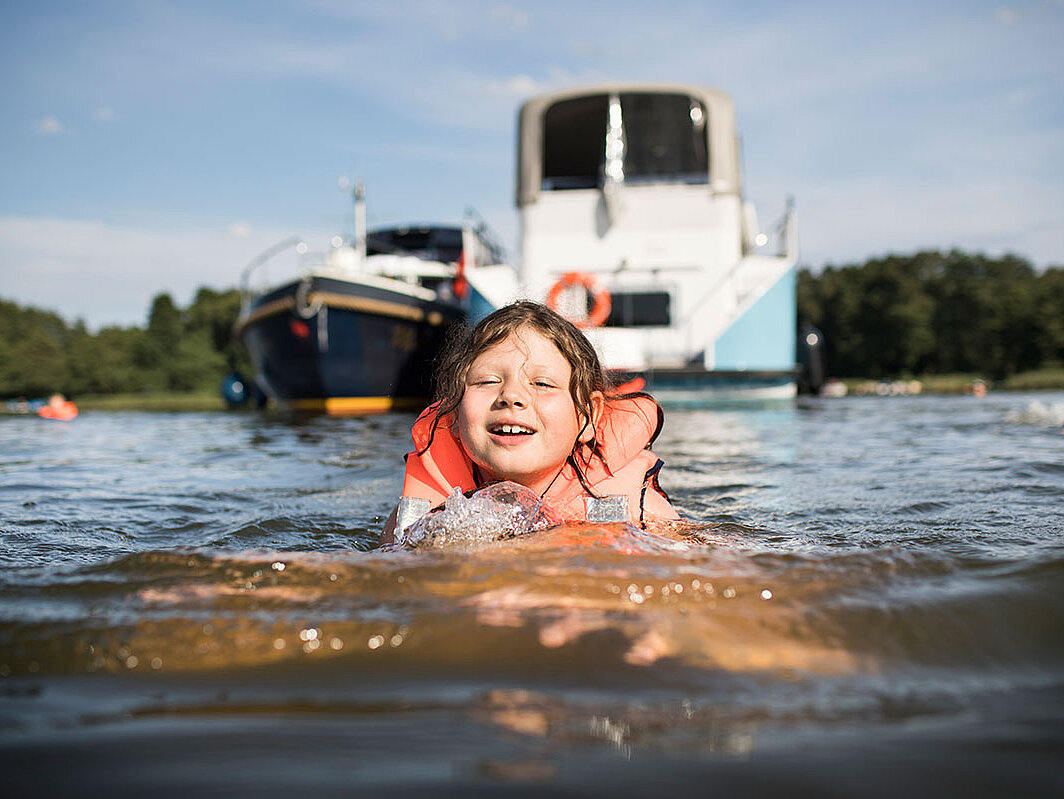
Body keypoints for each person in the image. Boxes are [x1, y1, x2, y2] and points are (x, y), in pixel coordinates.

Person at [382, 301, 679, 542]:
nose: (511, 396)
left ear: (588, 418)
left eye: (542, 384)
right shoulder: (416, 521)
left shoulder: (643, 515)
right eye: (487, 381)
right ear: (455, 415)